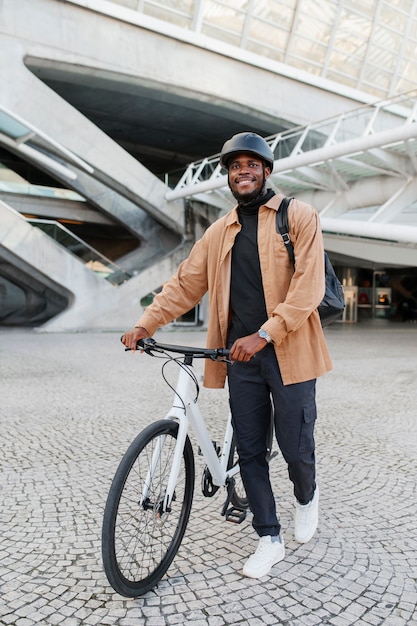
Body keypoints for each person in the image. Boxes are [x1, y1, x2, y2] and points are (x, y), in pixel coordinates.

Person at [122, 132, 333, 579]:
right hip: (241, 358)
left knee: (296, 449)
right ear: (229, 176)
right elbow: (185, 284)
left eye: (251, 164)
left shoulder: (298, 216)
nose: (243, 172)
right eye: (235, 166)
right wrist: (148, 322)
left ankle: (306, 495)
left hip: (290, 350)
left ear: (266, 170)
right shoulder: (220, 232)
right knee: (252, 449)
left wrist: (265, 332)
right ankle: (268, 536)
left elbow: (308, 287)